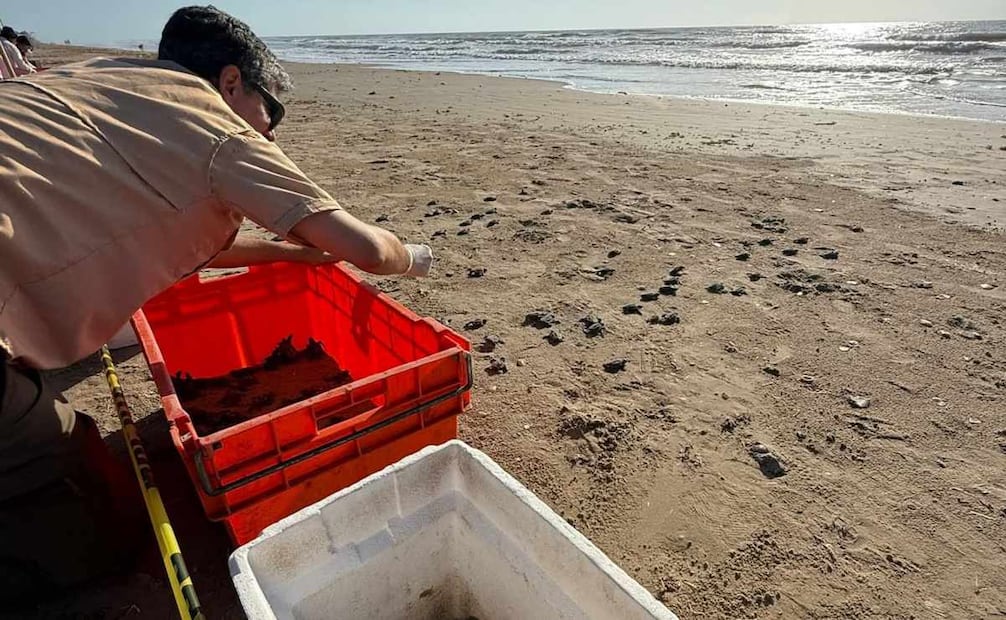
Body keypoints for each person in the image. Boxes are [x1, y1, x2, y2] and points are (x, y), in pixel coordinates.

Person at [0, 5, 434, 601]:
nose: (271, 131)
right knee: (88, 490)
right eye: (270, 110)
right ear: (231, 82)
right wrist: (411, 254)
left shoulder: (93, 80)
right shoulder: (214, 125)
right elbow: (370, 251)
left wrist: (293, 254)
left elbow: (172, 237)